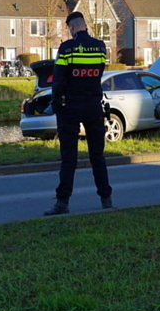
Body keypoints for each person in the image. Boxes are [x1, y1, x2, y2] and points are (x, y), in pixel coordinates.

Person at [44, 12, 113, 215]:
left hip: (71, 108)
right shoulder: (100, 47)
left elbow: (57, 81)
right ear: (84, 25)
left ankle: (62, 203)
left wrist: (57, 106)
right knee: (97, 156)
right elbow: (98, 72)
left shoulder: (66, 48)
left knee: (69, 158)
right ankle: (106, 199)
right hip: (93, 105)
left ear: (72, 27)